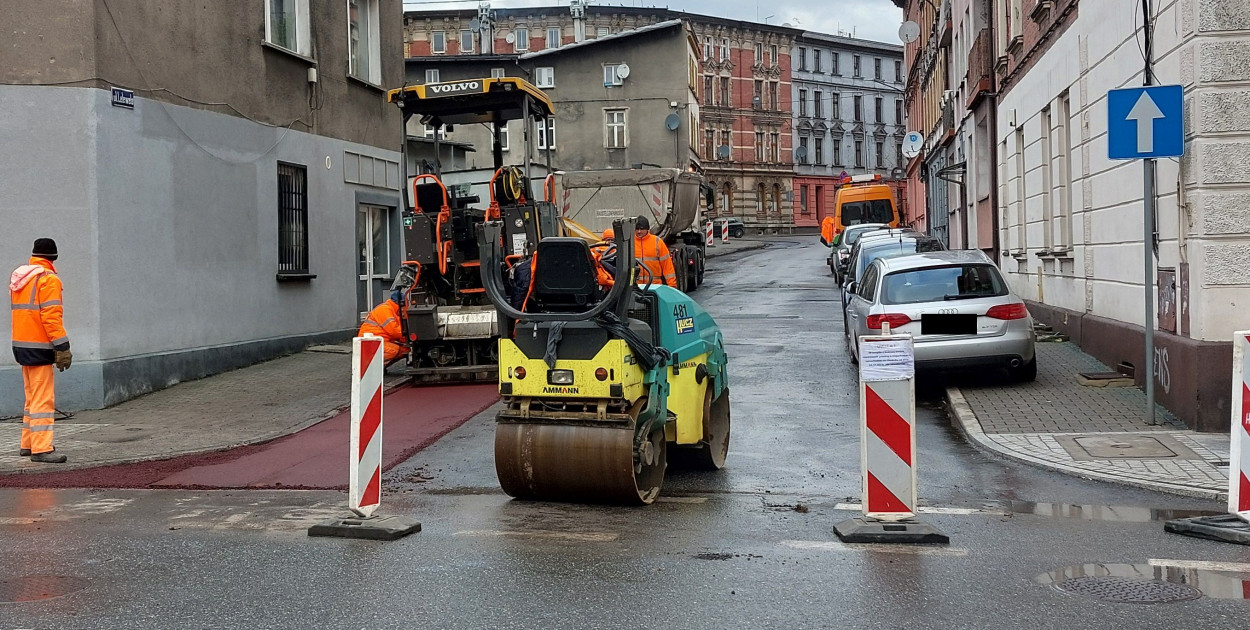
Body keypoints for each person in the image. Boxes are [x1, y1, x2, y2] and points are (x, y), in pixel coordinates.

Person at [10, 238, 71, 463]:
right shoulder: (48, 279)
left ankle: (28, 444)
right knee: (43, 400)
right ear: (53, 257)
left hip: (22, 345)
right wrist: (62, 346)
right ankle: (42, 448)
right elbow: (51, 317)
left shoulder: (21, 278)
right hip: (40, 347)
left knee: (31, 398)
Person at [358, 291, 409, 364]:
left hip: (378, 339)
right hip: (369, 341)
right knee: (394, 350)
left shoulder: (393, 311)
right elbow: (395, 331)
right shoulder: (385, 310)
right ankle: (369, 365)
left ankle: (380, 368)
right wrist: (409, 337)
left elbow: (398, 331)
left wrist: (406, 340)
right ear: (401, 303)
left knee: (405, 350)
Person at [632, 216, 677, 288]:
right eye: (637, 229)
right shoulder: (630, 243)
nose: (639, 231)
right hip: (636, 287)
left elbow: (667, 265)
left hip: (655, 286)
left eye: (642, 229)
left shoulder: (657, 242)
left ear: (647, 229)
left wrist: (672, 285)